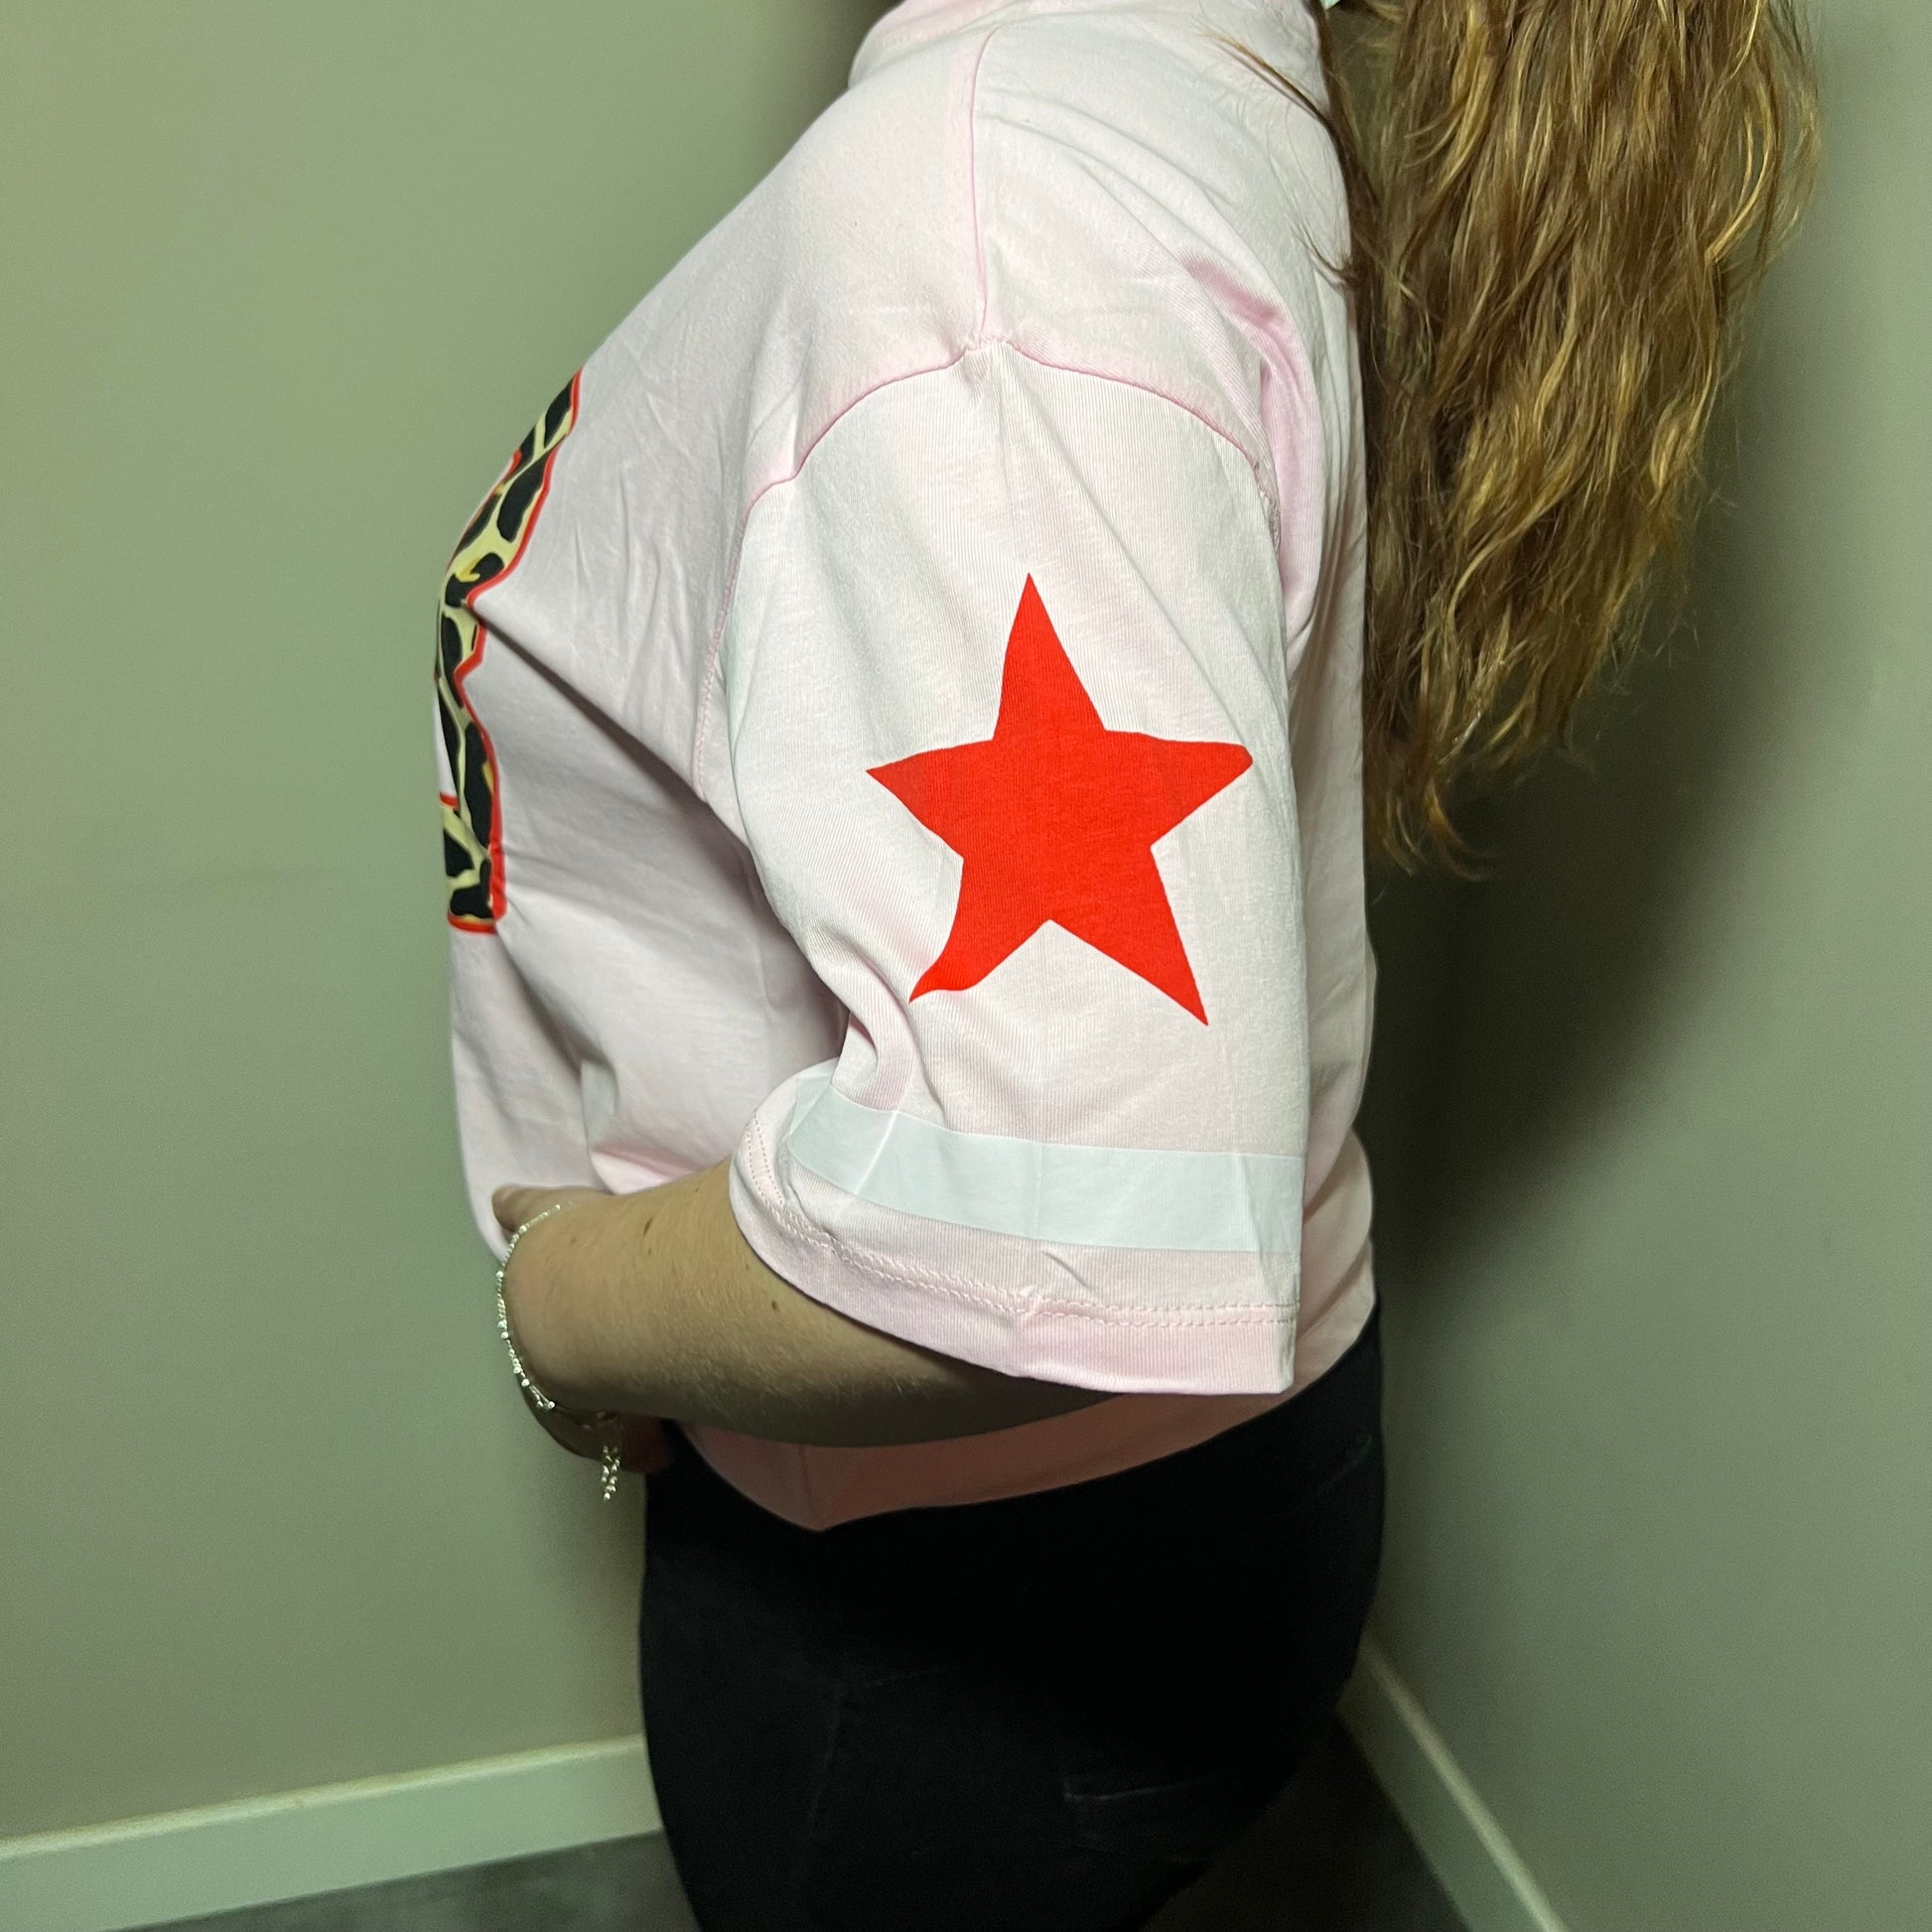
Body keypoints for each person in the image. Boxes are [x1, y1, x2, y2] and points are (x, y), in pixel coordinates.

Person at [437, 1, 1815, 1925]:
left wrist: (555, 1304)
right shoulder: (1155, 99)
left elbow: (1032, 1231)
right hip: (1166, 1501)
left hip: (942, 1584)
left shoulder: (983, 201)